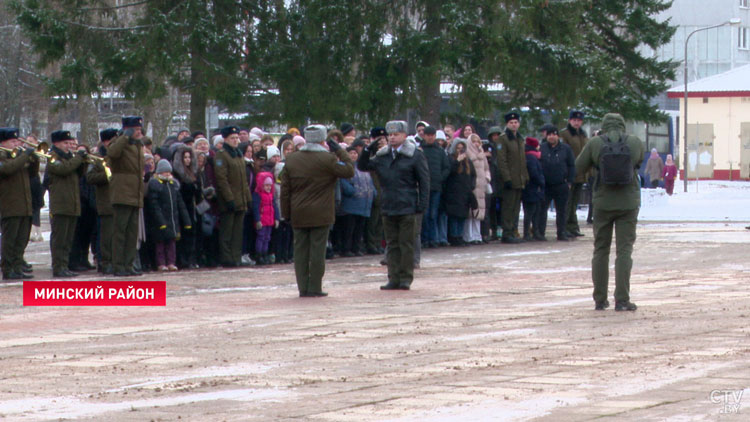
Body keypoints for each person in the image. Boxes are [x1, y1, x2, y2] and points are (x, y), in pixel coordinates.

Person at [575, 113, 644, 311]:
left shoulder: (595, 142)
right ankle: (622, 299)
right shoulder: (634, 142)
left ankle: (600, 299)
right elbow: (638, 161)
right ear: (623, 125)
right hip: (628, 203)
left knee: (601, 250)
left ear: (604, 126)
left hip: (603, 203)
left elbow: (579, 166)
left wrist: (596, 170)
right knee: (624, 251)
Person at [281, 124, 354, 297]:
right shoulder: (328, 159)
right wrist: (340, 152)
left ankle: (302, 288)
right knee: (317, 252)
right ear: (323, 140)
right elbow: (349, 171)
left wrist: (286, 213)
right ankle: (314, 287)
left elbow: (285, 191)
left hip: (298, 212)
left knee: (300, 252)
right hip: (321, 213)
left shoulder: (292, 159)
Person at [359, 120, 429, 290]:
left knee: (406, 243)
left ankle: (405, 277)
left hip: (407, 205)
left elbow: (424, 181)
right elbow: (363, 166)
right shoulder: (382, 156)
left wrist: (422, 204)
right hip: (389, 205)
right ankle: (393, 277)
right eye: (390, 135)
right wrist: (368, 149)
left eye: (396, 134)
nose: (392, 138)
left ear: (404, 136)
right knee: (391, 244)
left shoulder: (414, 155)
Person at [108, 116, 146, 276]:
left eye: (139, 129)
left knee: (131, 234)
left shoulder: (137, 145)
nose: (139, 132)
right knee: (120, 232)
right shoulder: (119, 143)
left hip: (135, 194)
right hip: (122, 193)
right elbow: (112, 153)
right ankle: (118, 265)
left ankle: (129, 265)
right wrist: (125, 137)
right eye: (135, 129)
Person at [46, 130, 86, 278]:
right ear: (56, 143)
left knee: (68, 239)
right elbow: (63, 169)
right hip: (61, 204)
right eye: (66, 143)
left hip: (72, 203)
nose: (69, 146)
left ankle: (65, 265)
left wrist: (82, 162)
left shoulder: (70, 158)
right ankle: (58, 267)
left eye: (70, 143)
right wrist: (77, 158)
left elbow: (78, 173)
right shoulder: (52, 156)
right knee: (60, 239)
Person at [0, 128, 37, 280]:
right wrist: (25, 155)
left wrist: (34, 158)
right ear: (3, 143)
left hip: (24, 205)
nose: (17, 143)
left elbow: (33, 174)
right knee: (10, 240)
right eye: (13, 141)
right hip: (10, 205)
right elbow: (9, 169)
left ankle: (17, 266)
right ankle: (8, 269)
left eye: (17, 141)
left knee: (21, 240)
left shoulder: (17, 156)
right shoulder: (3, 156)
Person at [214, 125, 252, 268]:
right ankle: (226, 257)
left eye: (237, 138)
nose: (236, 140)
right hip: (229, 200)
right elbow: (222, 180)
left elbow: (244, 181)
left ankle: (236, 257)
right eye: (232, 138)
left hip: (240, 199)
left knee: (238, 232)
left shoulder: (238, 154)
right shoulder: (222, 155)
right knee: (227, 232)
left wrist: (247, 198)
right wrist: (229, 199)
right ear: (225, 139)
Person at [146, 159, 191, 272]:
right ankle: (161, 263)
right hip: (161, 220)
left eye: (168, 172)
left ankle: (171, 262)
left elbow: (180, 204)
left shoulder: (173, 185)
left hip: (172, 220)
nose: (167, 174)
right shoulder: (155, 185)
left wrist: (186, 220)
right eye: (165, 172)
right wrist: (160, 221)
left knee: (171, 243)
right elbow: (154, 205)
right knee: (160, 244)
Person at [85, 128, 117, 274]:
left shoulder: (118, 156)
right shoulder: (97, 159)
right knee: (106, 236)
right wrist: (108, 176)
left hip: (118, 200)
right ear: (105, 142)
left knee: (117, 235)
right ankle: (106, 262)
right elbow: (90, 177)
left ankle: (116, 261)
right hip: (105, 202)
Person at [497, 111, 529, 243]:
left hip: (519, 179)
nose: (514, 125)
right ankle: (507, 232)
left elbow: (522, 160)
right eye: (511, 123)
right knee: (508, 208)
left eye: (516, 122)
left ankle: (513, 231)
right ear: (507, 124)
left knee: (516, 208)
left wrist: (525, 177)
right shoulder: (503, 139)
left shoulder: (520, 139)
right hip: (509, 180)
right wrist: (507, 178)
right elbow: (502, 160)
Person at [539, 126, 576, 241]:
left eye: (554, 134)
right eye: (549, 135)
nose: (551, 137)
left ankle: (561, 232)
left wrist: (569, 181)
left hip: (561, 184)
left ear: (558, 136)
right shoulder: (541, 148)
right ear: (546, 136)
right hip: (546, 185)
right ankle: (540, 232)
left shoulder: (566, 149)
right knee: (542, 210)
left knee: (562, 211)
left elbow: (571, 165)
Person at [339, 146, 375, 256]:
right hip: (350, 204)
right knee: (349, 229)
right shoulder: (343, 166)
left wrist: (373, 192)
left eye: (355, 153)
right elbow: (343, 182)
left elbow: (370, 182)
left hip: (364, 203)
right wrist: (352, 191)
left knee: (359, 229)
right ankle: (346, 249)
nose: (353, 155)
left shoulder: (361, 166)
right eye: (351, 153)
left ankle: (356, 248)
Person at [420, 126, 450, 248]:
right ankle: (425, 239)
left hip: (437, 186)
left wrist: (440, 178)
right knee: (425, 215)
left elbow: (446, 167)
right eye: (428, 135)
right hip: (424, 187)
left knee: (433, 214)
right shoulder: (420, 150)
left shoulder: (440, 151)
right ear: (425, 136)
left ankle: (434, 239)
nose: (430, 137)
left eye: (432, 135)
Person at [561, 110, 588, 238]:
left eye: (579, 121)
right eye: (574, 120)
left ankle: (573, 226)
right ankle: (565, 226)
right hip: (569, 173)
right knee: (568, 201)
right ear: (570, 121)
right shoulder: (565, 134)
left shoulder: (583, 135)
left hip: (581, 172)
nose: (576, 123)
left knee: (574, 202)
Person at [443, 139, 476, 246]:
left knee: (462, 216)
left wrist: (471, 186)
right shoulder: (450, 159)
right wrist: (457, 161)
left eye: (462, 148)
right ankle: (454, 236)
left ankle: (460, 236)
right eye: (458, 148)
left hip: (465, 192)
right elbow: (450, 172)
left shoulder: (468, 161)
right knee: (454, 216)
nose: (460, 151)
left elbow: (473, 175)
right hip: (453, 192)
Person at [253, 172, 280, 265]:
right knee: (261, 237)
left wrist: (277, 218)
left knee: (267, 238)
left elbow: (275, 207)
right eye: (266, 185)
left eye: (270, 185)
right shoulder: (258, 195)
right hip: (262, 220)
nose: (269, 187)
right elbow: (256, 208)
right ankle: (259, 254)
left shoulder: (271, 195)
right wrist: (257, 220)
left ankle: (264, 253)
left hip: (269, 220)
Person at [521, 137, 545, 241]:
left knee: (533, 211)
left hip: (532, 188)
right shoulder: (531, 157)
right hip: (532, 188)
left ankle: (533, 232)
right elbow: (534, 173)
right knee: (531, 212)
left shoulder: (529, 156)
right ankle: (529, 233)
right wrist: (541, 181)